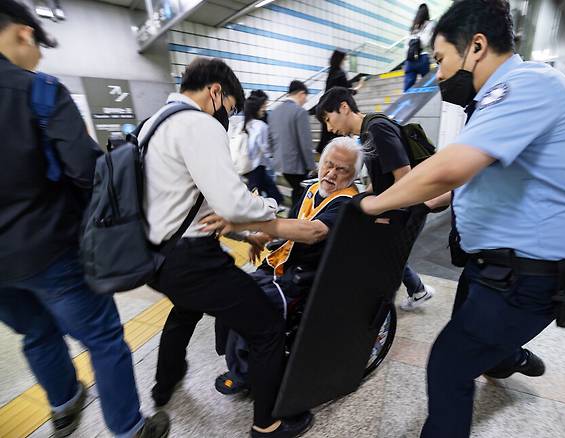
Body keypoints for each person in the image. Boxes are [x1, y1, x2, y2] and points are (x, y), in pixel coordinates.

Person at [358, 0, 565, 436]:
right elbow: (473, 176)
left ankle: (502, 350)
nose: (439, 74)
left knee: (449, 364)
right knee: (473, 324)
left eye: (442, 60)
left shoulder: (527, 85)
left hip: (529, 275)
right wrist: (431, 199)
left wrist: (373, 204)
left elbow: (452, 165)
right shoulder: (493, 100)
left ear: (477, 47)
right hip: (495, 265)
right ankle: (507, 355)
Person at [0, 2, 169, 437]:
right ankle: (129, 428)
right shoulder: (38, 91)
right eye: (37, 43)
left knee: (35, 335)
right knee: (102, 338)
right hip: (50, 248)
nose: (38, 55)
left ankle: (64, 405)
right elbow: (86, 171)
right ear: (22, 33)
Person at [142, 57, 313, 438]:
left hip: (155, 256)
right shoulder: (197, 123)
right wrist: (268, 209)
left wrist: (243, 235)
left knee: (185, 309)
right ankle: (268, 424)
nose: (228, 118)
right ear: (215, 92)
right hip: (191, 260)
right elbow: (233, 204)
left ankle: (163, 385)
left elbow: (190, 207)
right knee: (267, 325)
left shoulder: (153, 125)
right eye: (230, 109)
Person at [205, 137, 362, 395]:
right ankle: (234, 356)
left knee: (250, 303)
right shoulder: (313, 189)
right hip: (281, 264)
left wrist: (243, 225)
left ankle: (245, 372)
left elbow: (311, 231)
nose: (331, 174)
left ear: (353, 174)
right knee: (230, 290)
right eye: (328, 165)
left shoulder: (347, 203)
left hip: (304, 276)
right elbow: (292, 223)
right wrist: (261, 237)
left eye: (341, 169)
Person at [316, 87, 436, 311]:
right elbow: (383, 179)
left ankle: (380, 314)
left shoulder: (377, 128)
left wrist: (379, 207)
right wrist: (362, 197)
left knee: (386, 259)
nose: (329, 128)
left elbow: (404, 177)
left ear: (344, 107)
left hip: (405, 209)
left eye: (328, 119)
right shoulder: (367, 132)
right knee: (387, 256)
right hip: (397, 206)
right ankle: (416, 291)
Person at [269, 80, 315, 207]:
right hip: (297, 165)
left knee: (297, 191)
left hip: (281, 164)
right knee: (302, 193)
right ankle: (296, 217)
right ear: (301, 94)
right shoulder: (300, 112)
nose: (305, 101)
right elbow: (305, 143)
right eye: (306, 97)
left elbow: (271, 140)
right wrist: (311, 166)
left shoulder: (274, 112)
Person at [316, 50, 364, 153]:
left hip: (329, 110)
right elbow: (344, 92)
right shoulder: (340, 73)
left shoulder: (331, 73)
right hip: (335, 110)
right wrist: (358, 87)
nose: (345, 61)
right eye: (344, 59)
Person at [242, 93, 284, 205]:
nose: (264, 109)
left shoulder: (247, 124)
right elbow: (265, 147)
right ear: (257, 108)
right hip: (258, 166)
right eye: (263, 106)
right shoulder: (261, 125)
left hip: (250, 166)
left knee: (262, 192)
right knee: (265, 194)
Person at [404, 3, 435, 91]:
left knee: (407, 89)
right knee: (427, 86)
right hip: (423, 57)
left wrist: (410, 52)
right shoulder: (429, 24)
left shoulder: (413, 26)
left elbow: (406, 44)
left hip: (409, 60)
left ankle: (408, 104)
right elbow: (425, 42)